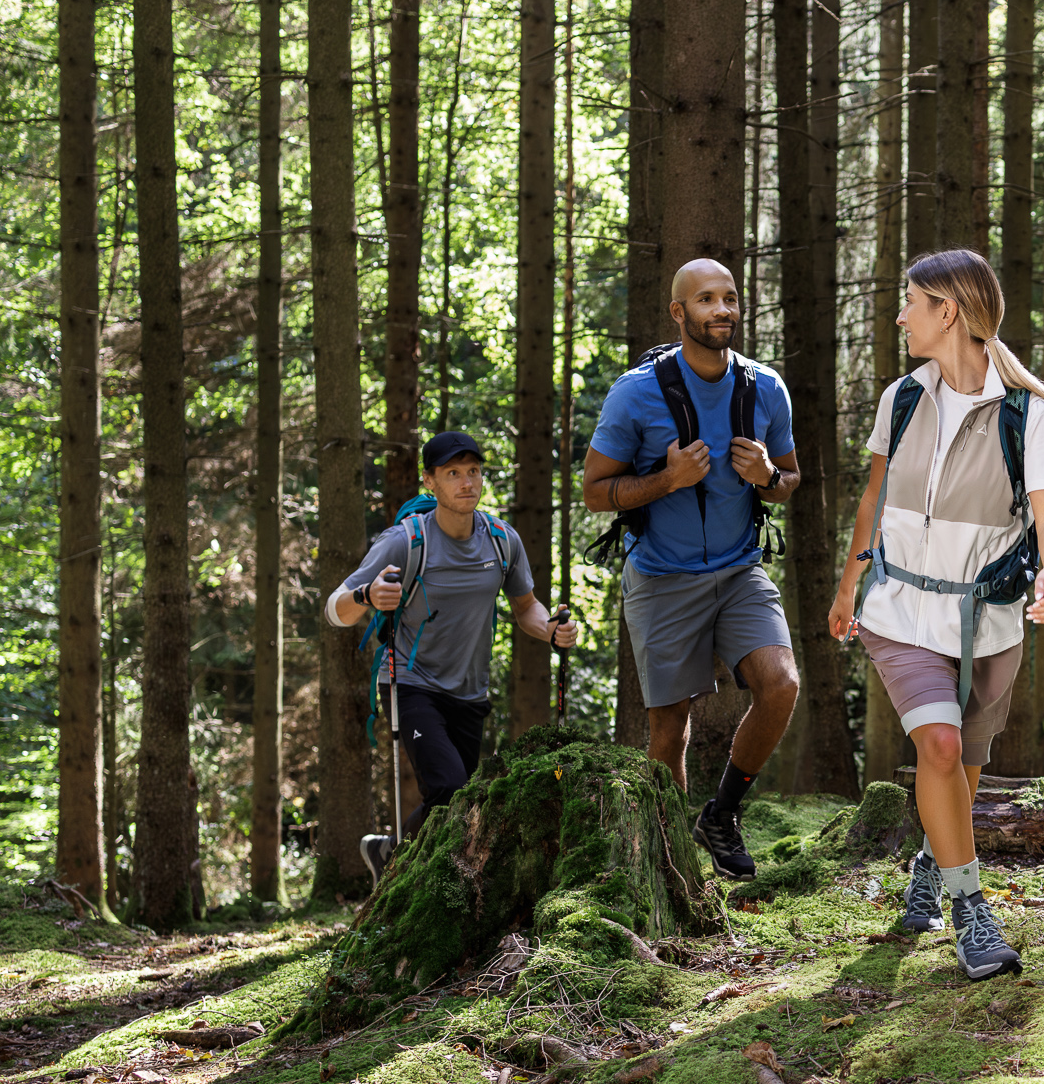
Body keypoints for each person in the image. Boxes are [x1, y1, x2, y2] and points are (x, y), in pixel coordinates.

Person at [828, 249, 1044, 980]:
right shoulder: (902, 396)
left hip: (987, 621)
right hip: (899, 607)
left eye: (911, 301)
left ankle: (933, 867)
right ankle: (971, 913)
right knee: (936, 746)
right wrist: (849, 585)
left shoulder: (1031, 412)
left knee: (962, 765)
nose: (900, 314)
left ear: (950, 311)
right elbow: (872, 501)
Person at [583, 258, 802, 881]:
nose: (722, 309)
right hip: (660, 576)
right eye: (706, 299)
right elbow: (594, 491)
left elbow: (789, 480)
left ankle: (722, 813)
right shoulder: (636, 393)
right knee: (667, 734)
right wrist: (667, 479)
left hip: (739, 570)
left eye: (729, 297)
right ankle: (671, 866)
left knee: (781, 684)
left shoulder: (766, 388)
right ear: (679, 313)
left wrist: (767, 478)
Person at [325, 431, 578, 864]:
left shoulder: (501, 540)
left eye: (474, 472)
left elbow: (526, 607)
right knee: (449, 788)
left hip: (469, 692)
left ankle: (390, 854)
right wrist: (366, 596)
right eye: (453, 473)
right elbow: (334, 609)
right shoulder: (405, 542)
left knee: (461, 801)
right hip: (410, 682)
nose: (467, 483)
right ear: (430, 481)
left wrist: (550, 630)